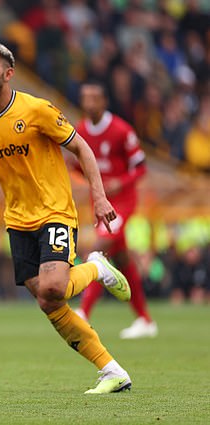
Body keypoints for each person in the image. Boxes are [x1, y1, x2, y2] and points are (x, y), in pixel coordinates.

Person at [0, 42, 132, 394]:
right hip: (17, 221)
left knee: (55, 286)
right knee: (47, 301)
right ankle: (111, 371)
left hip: (54, 211)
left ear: (8, 74)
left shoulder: (37, 109)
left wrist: (99, 197)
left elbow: (81, 147)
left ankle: (97, 267)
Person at [74, 81, 157, 339]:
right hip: (99, 202)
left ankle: (83, 312)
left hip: (122, 203)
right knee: (121, 259)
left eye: (94, 98)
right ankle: (145, 320)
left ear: (104, 101)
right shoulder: (80, 131)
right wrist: (90, 182)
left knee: (98, 250)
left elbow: (140, 167)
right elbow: (75, 165)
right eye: (85, 98)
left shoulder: (121, 130)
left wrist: (121, 181)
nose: (89, 103)